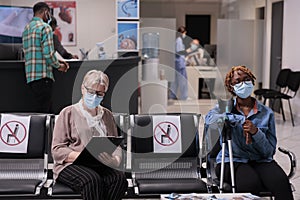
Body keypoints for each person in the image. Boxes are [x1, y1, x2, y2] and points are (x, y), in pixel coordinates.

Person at [205, 65, 293, 199]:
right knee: (250, 184)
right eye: (237, 81)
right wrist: (238, 119)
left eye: (246, 79)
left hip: (260, 159)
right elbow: (209, 119)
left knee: (281, 183)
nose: (243, 84)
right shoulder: (225, 107)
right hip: (233, 160)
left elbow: (269, 151)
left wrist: (256, 132)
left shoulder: (266, 113)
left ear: (252, 82)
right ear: (231, 87)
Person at [52, 70, 128, 200]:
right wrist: (83, 157)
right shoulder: (68, 113)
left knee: (119, 179)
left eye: (99, 94)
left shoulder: (107, 115)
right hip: (71, 166)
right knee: (92, 180)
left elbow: (116, 146)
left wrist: (115, 160)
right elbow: (57, 149)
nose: (94, 97)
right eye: (91, 92)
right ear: (83, 89)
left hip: (100, 165)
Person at [22, 2, 69, 113]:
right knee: (44, 113)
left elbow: (36, 53)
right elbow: (48, 54)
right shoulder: (45, 27)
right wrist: (59, 66)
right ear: (46, 12)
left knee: (41, 111)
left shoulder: (26, 29)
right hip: (43, 76)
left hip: (31, 77)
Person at [169, 26, 193, 100]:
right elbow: (179, 52)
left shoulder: (177, 40)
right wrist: (188, 51)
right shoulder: (179, 40)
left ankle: (172, 96)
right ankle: (184, 96)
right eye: (185, 33)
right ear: (183, 32)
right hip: (180, 63)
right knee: (183, 80)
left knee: (175, 81)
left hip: (177, 63)